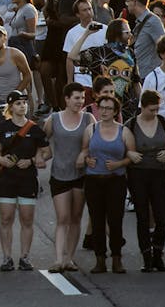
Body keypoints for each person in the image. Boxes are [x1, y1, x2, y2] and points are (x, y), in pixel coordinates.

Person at [0, 89, 49, 272]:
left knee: (27, 219)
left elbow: (46, 152)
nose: (23, 106)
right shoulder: (2, 128)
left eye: (24, 103)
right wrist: (0, 160)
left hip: (28, 179)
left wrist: (31, 160)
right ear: (11, 107)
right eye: (18, 103)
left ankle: (25, 257)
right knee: (6, 219)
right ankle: (7, 257)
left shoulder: (35, 129)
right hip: (7, 179)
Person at [45, 83, 94, 272]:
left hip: (80, 175)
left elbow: (95, 141)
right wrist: (43, 155)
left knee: (76, 217)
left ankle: (69, 259)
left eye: (82, 98)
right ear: (66, 99)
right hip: (59, 173)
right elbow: (41, 140)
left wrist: (85, 152)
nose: (80, 102)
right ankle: (58, 259)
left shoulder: (88, 119)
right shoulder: (54, 119)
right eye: (76, 98)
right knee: (62, 217)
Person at [127, 89, 165, 272]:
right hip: (138, 173)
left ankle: (158, 253)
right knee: (143, 216)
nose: (154, 113)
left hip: (158, 172)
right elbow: (124, 147)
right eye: (151, 110)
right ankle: (146, 256)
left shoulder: (163, 122)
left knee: (161, 215)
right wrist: (130, 154)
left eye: (157, 110)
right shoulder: (131, 124)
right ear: (143, 107)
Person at [80, 93, 131, 274]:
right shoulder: (91, 129)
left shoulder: (123, 131)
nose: (104, 111)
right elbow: (84, 150)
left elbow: (131, 156)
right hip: (94, 180)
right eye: (102, 107)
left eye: (109, 108)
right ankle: (100, 259)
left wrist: (119, 164)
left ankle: (117, 259)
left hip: (115, 180)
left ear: (116, 111)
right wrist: (87, 160)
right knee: (97, 220)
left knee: (115, 220)